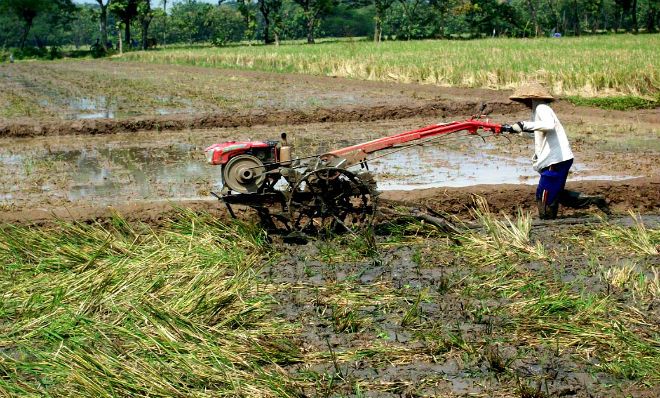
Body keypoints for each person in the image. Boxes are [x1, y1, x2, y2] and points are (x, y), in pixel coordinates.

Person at [502, 82, 608, 219]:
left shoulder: (541, 108)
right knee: (554, 192)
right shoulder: (537, 112)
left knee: (545, 196)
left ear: (529, 98)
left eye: (523, 100)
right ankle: (595, 200)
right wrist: (514, 130)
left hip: (556, 159)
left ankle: (548, 222)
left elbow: (549, 125)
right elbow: (538, 133)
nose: (523, 103)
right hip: (558, 159)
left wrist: (523, 124)